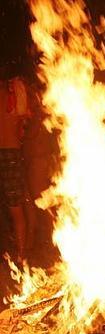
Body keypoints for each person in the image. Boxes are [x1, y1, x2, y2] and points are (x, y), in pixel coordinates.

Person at [0, 62, 32, 261]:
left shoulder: (16, 89)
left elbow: (24, 122)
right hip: (9, 153)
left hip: (11, 154)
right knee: (13, 206)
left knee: (15, 207)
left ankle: (21, 255)